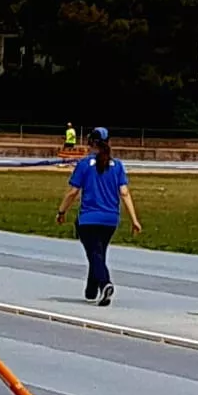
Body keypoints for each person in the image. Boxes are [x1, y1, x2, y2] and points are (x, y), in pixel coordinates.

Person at [56, 127, 141, 306]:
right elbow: (124, 193)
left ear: (90, 143)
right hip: (110, 219)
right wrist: (134, 220)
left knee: (94, 253)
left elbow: (73, 192)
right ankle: (91, 290)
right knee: (98, 253)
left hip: (89, 219)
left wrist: (62, 211)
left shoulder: (85, 165)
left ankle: (105, 283)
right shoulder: (117, 166)